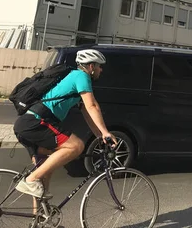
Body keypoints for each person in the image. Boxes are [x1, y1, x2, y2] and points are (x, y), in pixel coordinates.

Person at [13, 49, 116, 198]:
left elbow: (87, 113)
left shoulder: (73, 76)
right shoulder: (81, 76)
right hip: (36, 121)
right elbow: (92, 106)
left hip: (28, 123)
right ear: (91, 67)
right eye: (100, 66)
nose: (101, 69)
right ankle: (30, 180)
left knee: (44, 172)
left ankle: (40, 217)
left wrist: (100, 135)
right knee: (76, 146)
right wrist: (107, 132)